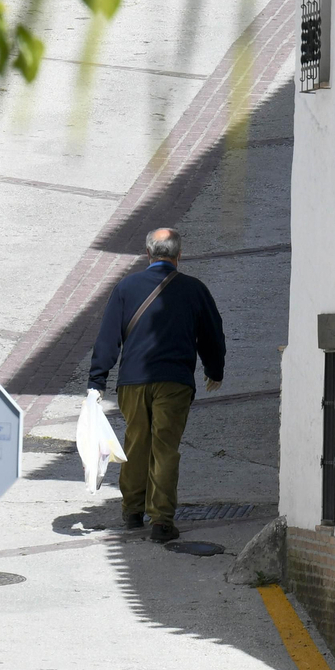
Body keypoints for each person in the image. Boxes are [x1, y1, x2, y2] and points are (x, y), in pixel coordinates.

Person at [88, 227, 226, 543]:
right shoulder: (194, 290)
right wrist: (214, 370)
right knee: (164, 449)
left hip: (133, 382)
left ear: (148, 254)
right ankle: (161, 521)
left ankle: (133, 511)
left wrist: (97, 379)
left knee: (136, 443)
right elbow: (211, 335)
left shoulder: (126, 288)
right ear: (179, 255)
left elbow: (108, 338)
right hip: (174, 382)